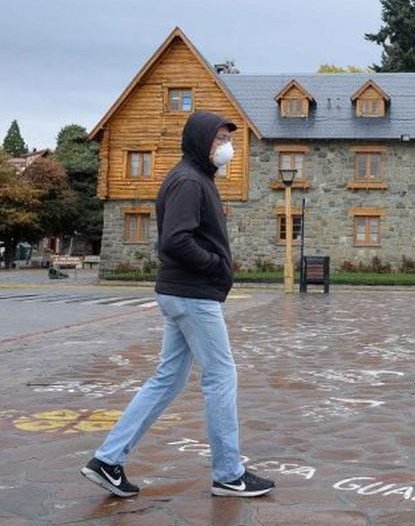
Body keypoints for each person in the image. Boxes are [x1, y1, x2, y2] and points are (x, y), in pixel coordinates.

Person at [81, 111, 274, 499]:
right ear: (200, 140)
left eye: (227, 138)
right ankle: (228, 473)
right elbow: (175, 241)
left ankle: (108, 460)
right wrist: (217, 266)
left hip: (182, 293)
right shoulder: (188, 181)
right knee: (221, 376)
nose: (226, 147)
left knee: (168, 378)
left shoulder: (195, 177)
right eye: (219, 138)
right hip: (193, 295)